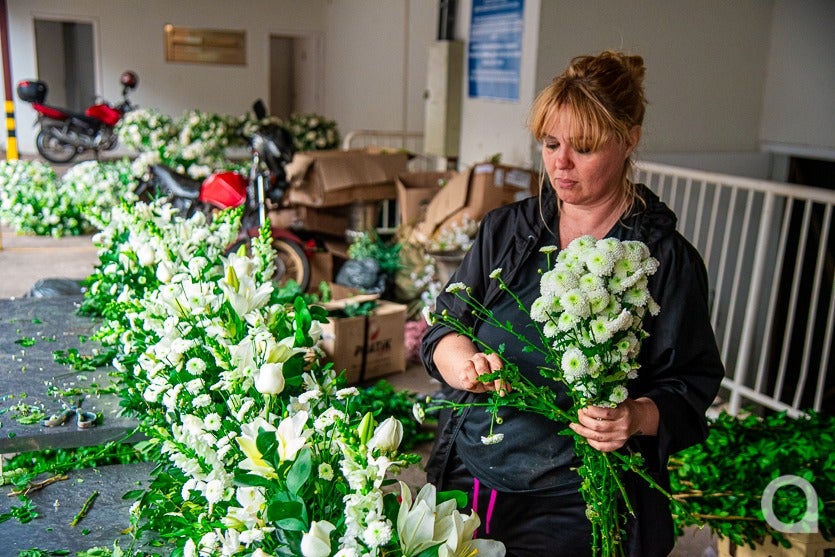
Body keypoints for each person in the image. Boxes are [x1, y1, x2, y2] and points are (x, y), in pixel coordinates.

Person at [420, 50, 725, 556]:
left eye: (583, 147)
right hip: (474, 472)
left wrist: (636, 415)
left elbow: (690, 386)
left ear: (630, 139)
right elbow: (443, 328)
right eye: (550, 143)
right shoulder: (509, 231)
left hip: (577, 500)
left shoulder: (664, 259)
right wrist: (463, 365)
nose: (560, 164)